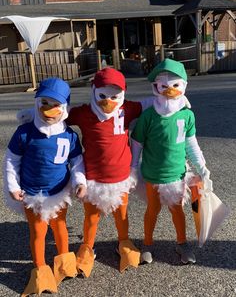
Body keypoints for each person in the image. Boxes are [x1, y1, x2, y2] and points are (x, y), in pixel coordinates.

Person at [66, 67, 156, 277]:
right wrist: (32, 116)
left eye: (114, 96)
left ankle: (123, 241)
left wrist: (175, 101)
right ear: (94, 91)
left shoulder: (127, 109)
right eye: (102, 95)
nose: (108, 102)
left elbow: (149, 103)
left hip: (120, 177)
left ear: (122, 94)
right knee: (91, 216)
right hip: (93, 178)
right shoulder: (84, 112)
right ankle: (87, 247)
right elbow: (60, 112)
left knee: (121, 214)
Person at [3, 77, 87, 296]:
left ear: (64, 107)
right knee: (38, 231)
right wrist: (12, 185)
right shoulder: (24, 132)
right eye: (44, 103)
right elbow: (12, 160)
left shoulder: (69, 135)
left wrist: (80, 181)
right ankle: (40, 269)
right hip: (32, 193)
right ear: (37, 103)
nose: (49, 110)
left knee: (60, 227)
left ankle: (64, 263)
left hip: (59, 191)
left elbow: (77, 161)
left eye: (56, 105)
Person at [130, 58, 211, 265]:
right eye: (163, 86)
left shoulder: (187, 115)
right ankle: (147, 243)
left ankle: (182, 243)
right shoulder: (148, 116)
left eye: (175, 85)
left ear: (183, 86)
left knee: (178, 211)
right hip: (152, 174)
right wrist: (132, 169)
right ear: (156, 86)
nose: (169, 90)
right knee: (152, 210)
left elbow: (191, 143)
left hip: (177, 174)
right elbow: (137, 143)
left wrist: (202, 167)